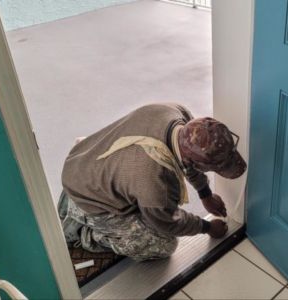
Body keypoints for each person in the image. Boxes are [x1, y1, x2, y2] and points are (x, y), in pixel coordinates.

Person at [58, 103, 247, 261]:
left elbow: (188, 162)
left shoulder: (176, 113)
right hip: (90, 195)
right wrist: (206, 227)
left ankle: (97, 197)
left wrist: (205, 194)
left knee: (143, 197)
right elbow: (167, 222)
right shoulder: (157, 183)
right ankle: (87, 232)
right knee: (164, 245)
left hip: (83, 160)